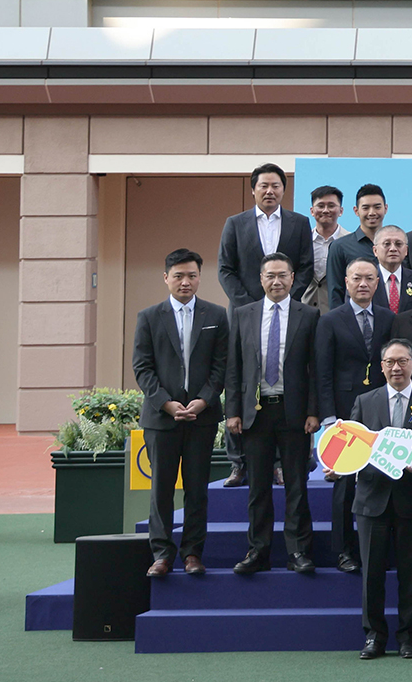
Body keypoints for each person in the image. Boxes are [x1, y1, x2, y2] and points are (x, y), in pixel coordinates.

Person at [350, 338, 412, 659]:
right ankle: (374, 637)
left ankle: (408, 637)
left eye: (402, 361)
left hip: (411, 499)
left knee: (410, 572)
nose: (396, 367)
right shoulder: (364, 401)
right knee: (372, 573)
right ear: (381, 367)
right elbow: (351, 446)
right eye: (390, 362)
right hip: (371, 500)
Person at [133, 249, 228, 578]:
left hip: (202, 417)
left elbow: (221, 366)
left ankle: (192, 553)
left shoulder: (217, 315)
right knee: (161, 489)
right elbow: (142, 367)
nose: (185, 282)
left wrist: (204, 400)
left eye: (191, 275)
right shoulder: (149, 317)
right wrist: (165, 402)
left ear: (200, 278)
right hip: (161, 419)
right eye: (178, 276)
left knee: (197, 489)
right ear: (166, 278)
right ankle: (161, 554)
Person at [224, 251, 319, 575]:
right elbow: (234, 368)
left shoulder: (309, 315)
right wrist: (232, 411)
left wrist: (313, 411)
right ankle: (258, 551)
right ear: (260, 279)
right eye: (270, 276)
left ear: (292, 278)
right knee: (258, 488)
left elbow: (315, 368)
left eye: (282, 275)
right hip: (256, 413)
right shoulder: (243, 314)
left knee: (297, 485)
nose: (276, 281)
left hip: (294, 414)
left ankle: (298, 551)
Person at [316, 257, 391, 572]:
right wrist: (328, 418)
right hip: (344, 411)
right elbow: (322, 373)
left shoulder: (388, 318)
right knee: (345, 485)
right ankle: (344, 550)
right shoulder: (330, 320)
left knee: (383, 479)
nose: (363, 284)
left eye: (369, 278)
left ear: (377, 283)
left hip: (381, 408)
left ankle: (382, 549)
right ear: (346, 282)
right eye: (357, 278)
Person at [217, 162, 315, 318]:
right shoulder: (235, 223)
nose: (270, 191)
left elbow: (306, 267)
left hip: (287, 310)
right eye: (264, 186)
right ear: (253, 190)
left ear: (283, 190)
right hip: (244, 311)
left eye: (275, 186)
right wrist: (248, 305)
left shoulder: (300, 223)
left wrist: (287, 300)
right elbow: (225, 269)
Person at [326, 183, 387, 309]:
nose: (372, 213)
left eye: (377, 207)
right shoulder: (340, 247)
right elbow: (335, 292)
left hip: (392, 317)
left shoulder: (396, 246)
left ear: (385, 208)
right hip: (354, 317)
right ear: (356, 211)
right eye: (366, 208)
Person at [306, 184, 349, 310]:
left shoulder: (350, 241)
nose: (325, 210)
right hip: (305, 309)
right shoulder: (303, 241)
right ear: (312, 211)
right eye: (320, 206)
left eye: (331, 206)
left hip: (338, 311)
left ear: (341, 211)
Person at [370, 227, 412, 323]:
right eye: (386, 244)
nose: (393, 249)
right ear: (375, 251)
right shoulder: (366, 280)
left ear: (406, 250)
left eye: (398, 244)